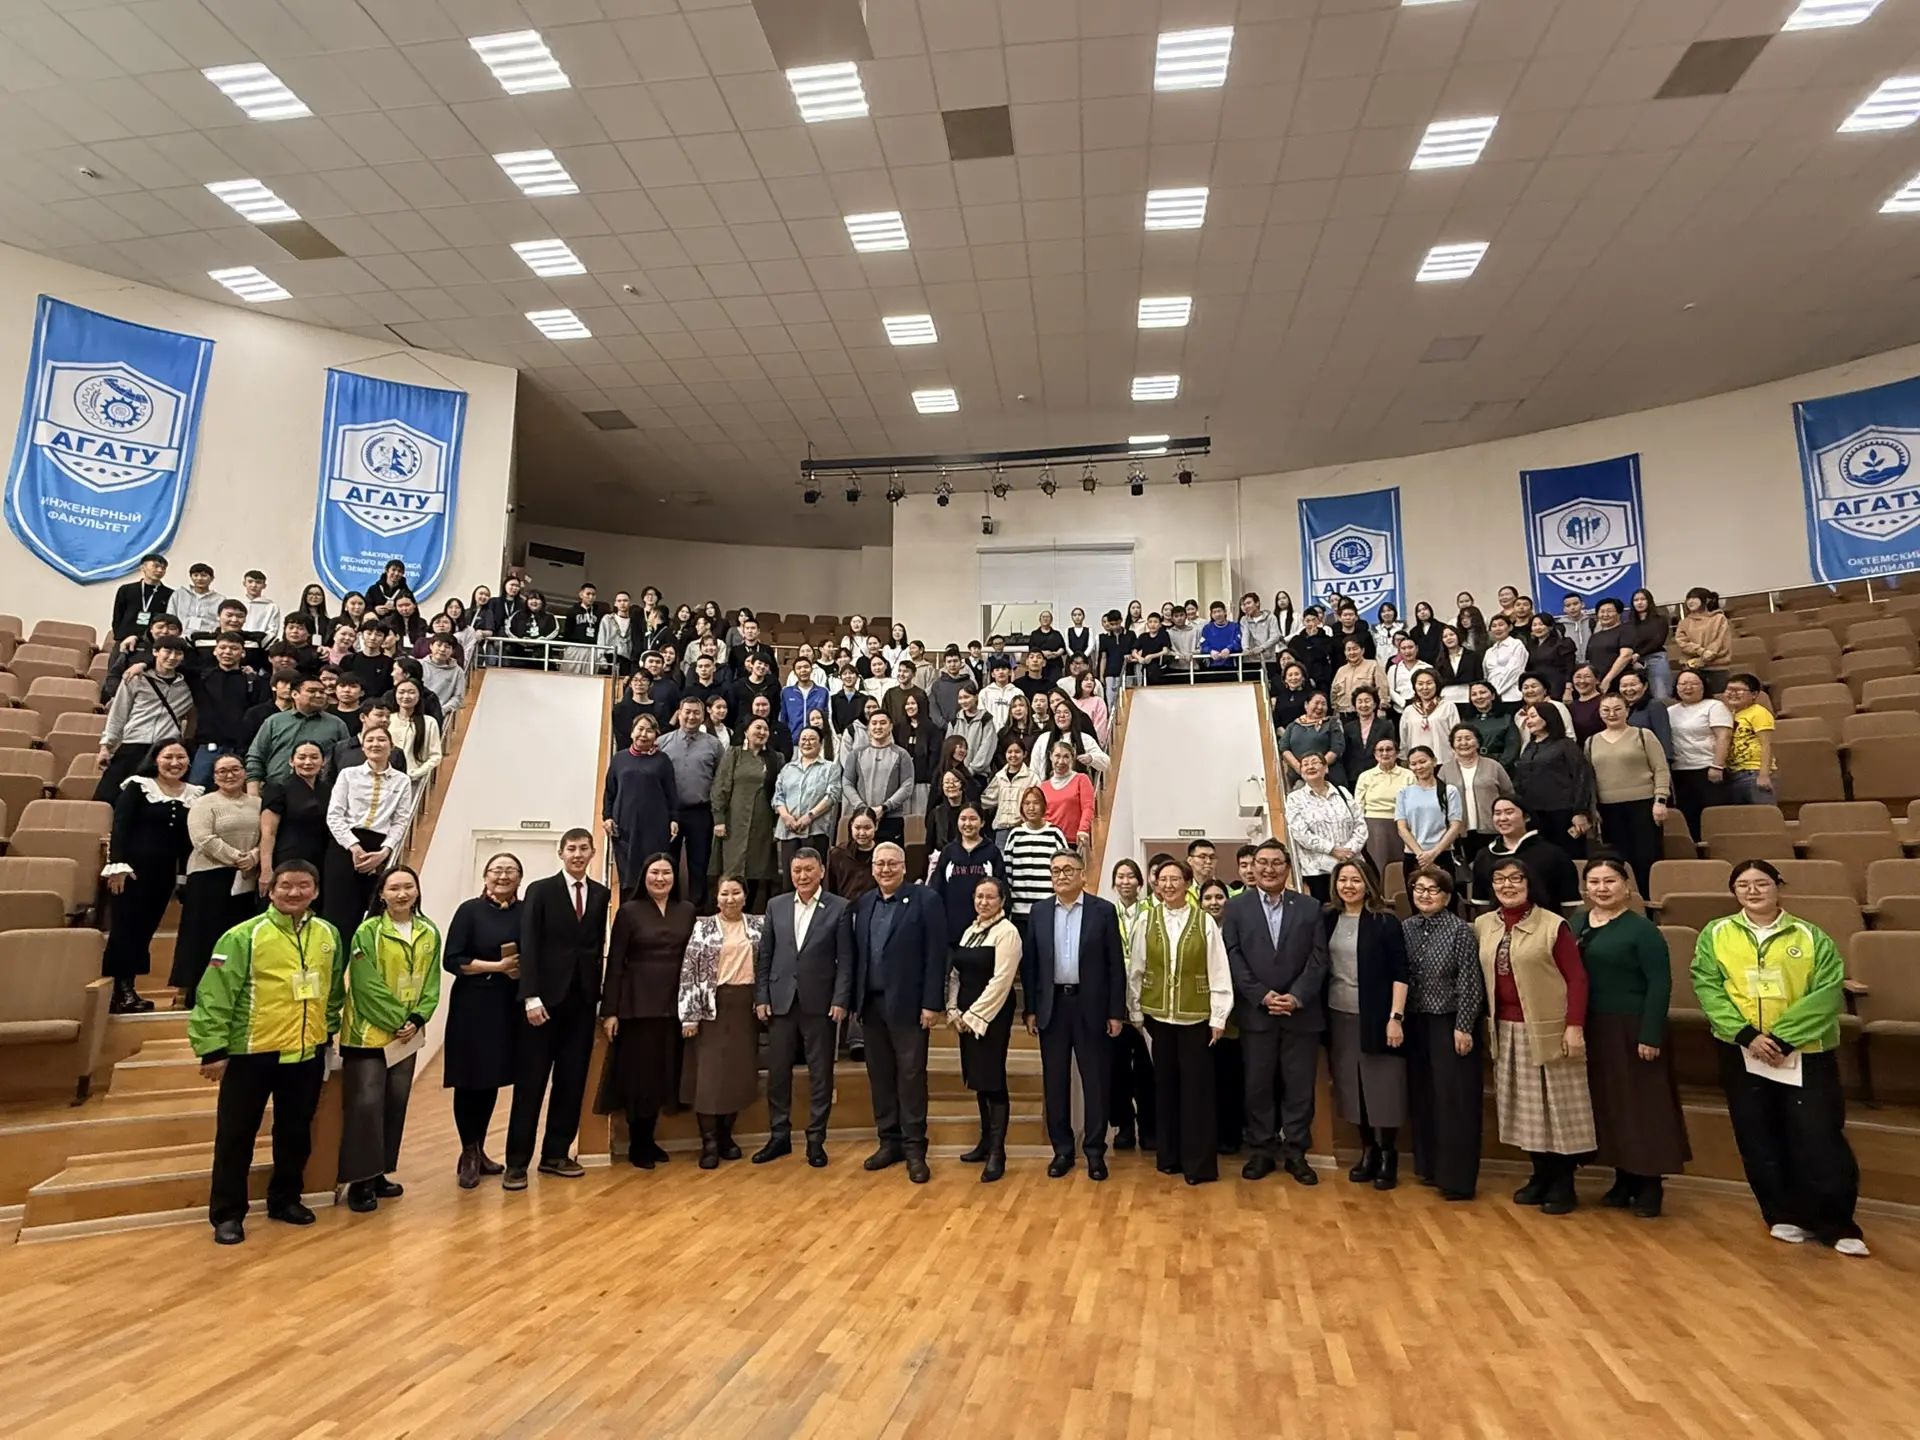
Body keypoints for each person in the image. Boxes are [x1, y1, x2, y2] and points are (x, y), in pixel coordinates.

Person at [1693, 859, 1865, 1255]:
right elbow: (1708, 986)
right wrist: (1746, 1035)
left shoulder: (1810, 935)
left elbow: (1826, 992)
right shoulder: (1715, 934)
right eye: (1743, 885)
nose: (1753, 891)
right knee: (1759, 1136)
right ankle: (1782, 1214)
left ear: (1778, 886)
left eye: (1761, 883)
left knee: (1818, 1136)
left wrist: (1784, 1039)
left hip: (1805, 1052)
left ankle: (1837, 1223)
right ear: (1733, 891)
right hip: (1743, 1051)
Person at [189, 859, 342, 1245]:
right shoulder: (244, 936)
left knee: (295, 1133)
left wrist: (328, 1031)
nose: (294, 892)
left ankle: (285, 1199)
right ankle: (228, 1214)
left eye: (304, 885)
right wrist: (212, 1048)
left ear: (316, 891)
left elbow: (332, 990)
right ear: (271, 891)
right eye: (286, 885)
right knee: (236, 1136)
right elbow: (215, 994)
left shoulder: (328, 934)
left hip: (305, 1053)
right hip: (251, 1053)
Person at [1475, 858, 1594, 1215]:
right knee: (1525, 1110)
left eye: (1516, 878)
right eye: (1500, 879)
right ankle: (1540, 1174)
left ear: (1530, 884)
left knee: (1557, 1108)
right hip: (1506, 1028)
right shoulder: (1483, 924)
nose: (1507, 885)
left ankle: (1563, 1182)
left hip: (1549, 1029)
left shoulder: (1553, 925)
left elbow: (1577, 979)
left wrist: (1574, 1026)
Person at [1574, 855, 1690, 1219]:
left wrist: (1650, 1034)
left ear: (1626, 887)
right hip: (1593, 1026)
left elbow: (1660, 984)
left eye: (1610, 881)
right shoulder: (1576, 923)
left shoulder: (1642, 930)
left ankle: (1650, 1183)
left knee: (1644, 1106)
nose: (1602, 888)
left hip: (1633, 1026)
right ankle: (1623, 1177)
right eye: (1594, 882)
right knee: (1609, 1105)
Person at [508, 829, 611, 1188]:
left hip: (581, 1003)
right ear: (561, 853)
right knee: (531, 1083)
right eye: (571, 849)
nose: (577, 854)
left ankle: (555, 1154)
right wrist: (530, 996)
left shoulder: (600, 894)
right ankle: (516, 1163)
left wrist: (597, 996)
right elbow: (530, 944)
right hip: (542, 1004)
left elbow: (595, 946)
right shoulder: (540, 890)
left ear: (593, 852)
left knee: (571, 1082)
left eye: (584, 849)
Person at [336, 865, 441, 1213]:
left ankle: (379, 1172)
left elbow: (431, 983)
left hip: (406, 1037)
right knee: (366, 1106)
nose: (402, 894)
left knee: (395, 1104)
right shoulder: (367, 932)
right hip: (368, 1036)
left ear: (417, 891)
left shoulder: (429, 931)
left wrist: (418, 1018)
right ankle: (359, 1181)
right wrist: (400, 1020)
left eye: (408, 887)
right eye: (394, 888)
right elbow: (366, 985)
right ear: (381, 894)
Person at [1223, 840, 1328, 1186]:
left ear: (1287, 868)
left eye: (1276, 863)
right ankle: (1262, 1150)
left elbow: (1318, 958)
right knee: (1257, 1086)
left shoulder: (1310, 907)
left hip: (1301, 1015)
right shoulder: (1236, 908)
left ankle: (1296, 1152)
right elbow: (1233, 956)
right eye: (1262, 862)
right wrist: (1261, 995)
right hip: (1257, 1014)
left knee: (1299, 1088)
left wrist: (1296, 997)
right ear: (1252, 867)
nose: (1269, 869)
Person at [1127, 857, 1231, 1184]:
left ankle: (1198, 1165)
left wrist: (1219, 1016)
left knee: (1197, 1092)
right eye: (1163, 879)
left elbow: (1219, 970)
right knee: (1165, 1088)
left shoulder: (1204, 922)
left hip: (1195, 1018)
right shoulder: (1146, 920)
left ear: (1187, 884)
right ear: (1156, 885)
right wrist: (1135, 1010)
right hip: (1158, 1017)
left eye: (1175, 879)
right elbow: (1137, 968)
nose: (1169, 885)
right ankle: (1169, 1157)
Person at [1022, 852, 1125, 1181]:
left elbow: (1115, 966)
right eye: (1055, 870)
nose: (1061, 875)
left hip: (1091, 1007)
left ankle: (1095, 1151)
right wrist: (1031, 1009)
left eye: (1068, 869)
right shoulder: (1039, 912)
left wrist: (1116, 1012)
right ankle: (1062, 1150)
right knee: (1055, 1083)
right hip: (1052, 1007)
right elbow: (1031, 966)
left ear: (1082, 875)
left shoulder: (1102, 911)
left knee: (1095, 1082)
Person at [850, 842, 947, 1184]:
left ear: (904, 867)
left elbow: (937, 955)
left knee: (911, 1076)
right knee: (880, 1076)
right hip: (872, 1005)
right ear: (872, 868)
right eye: (880, 864)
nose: (885, 869)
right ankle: (888, 1141)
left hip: (910, 1006)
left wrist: (932, 1003)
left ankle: (915, 1148)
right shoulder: (864, 903)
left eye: (892, 863)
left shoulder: (925, 900)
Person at [753, 847, 853, 1167]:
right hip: (780, 1002)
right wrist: (761, 996)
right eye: (797, 870)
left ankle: (815, 1140)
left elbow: (846, 961)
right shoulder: (776, 905)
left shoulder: (839, 908)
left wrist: (840, 999)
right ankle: (779, 1136)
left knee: (820, 1075)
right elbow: (765, 955)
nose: (803, 876)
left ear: (821, 871)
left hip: (821, 1004)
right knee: (778, 1075)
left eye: (809, 869)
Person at [1321, 859, 1411, 1190]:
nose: (1348, 886)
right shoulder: (1328, 918)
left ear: (1368, 884)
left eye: (1355, 880)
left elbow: (1401, 973)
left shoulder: (1384, 921)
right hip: (1339, 1015)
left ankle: (1388, 1154)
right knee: (1352, 1088)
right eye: (1343, 880)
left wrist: (1395, 1018)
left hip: (1377, 1017)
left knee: (1383, 1088)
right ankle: (1368, 1151)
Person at [1402, 866, 1485, 1200]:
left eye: (1432, 890)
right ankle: (1429, 1168)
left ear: (1448, 897)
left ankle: (1457, 1179)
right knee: (1424, 1096)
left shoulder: (1460, 931)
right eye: (1418, 889)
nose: (1424, 895)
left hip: (1450, 1023)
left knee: (1455, 1100)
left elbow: (1470, 981)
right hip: (1415, 1022)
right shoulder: (1406, 928)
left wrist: (1464, 1025)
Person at [101, 740, 201, 1013]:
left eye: (181, 757)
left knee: (145, 930)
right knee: (125, 929)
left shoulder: (193, 793)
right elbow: (120, 826)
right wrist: (118, 865)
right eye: (168, 757)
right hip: (131, 871)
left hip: (163, 874)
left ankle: (129, 987)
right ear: (155, 759)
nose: (174, 763)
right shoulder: (138, 785)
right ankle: (118, 990)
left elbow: (187, 842)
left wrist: (183, 875)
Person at [443, 853, 523, 1187]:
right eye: (496, 870)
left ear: (519, 878)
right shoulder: (469, 911)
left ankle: (480, 1147)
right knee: (468, 1080)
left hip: (507, 1007)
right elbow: (453, 959)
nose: (503, 876)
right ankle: (468, 1153)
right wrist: (497, 967)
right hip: (472, 1005)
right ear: (485, 876)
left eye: (510, 870)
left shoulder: (525, 911)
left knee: (491, 1079)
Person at [938, 875, 1022, 1183]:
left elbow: (1002, 981)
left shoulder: (1007, 932)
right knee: (978, 1080)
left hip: (991, 1016)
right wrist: (953, 1009)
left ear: (1002, 901)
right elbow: (956, 974)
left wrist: (975, 1016)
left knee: (993, 1080)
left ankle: (998, 1153)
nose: (983, 902)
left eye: (989, 897)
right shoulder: (970, 930)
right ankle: (985, 1143)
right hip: (965, 1016)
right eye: (979, 897)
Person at [678, 876, 765, 1167]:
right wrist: (689, 1016)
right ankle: (709, 1142)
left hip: (745, 1009)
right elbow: (689, 971)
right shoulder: (703, 927)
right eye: (725, 893)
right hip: (710, 1010)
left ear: (745, 896)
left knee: (738, 1076)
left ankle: (727, 1136)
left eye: (736, 892)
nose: (730, 899)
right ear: (716, 898)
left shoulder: (759, 925)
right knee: (709, 1078)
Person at [170, 754, 262, 1005]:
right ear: (214, 776)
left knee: (237, 936)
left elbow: (267, 835)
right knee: (204, 935)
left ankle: (234, 993)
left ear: (245, 773)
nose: (229, 775)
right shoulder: (204, 803)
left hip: (245, 877)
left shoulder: (258, 803)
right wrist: (236, 857)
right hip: (209, 877)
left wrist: (254, 856)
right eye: (222, 771)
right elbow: (202, 839)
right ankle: (199, 992)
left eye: (235, 769)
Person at [321, 724, 413, 939]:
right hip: (345, 844)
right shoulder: (348, 775)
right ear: (363, 747)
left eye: (381, 740)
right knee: (338, 910)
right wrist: (353, 847)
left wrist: (385, 852)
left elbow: (401, 821)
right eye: (370, 740)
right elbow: (334, 815)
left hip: (379, 847)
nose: (375, 744)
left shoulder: (402, 781)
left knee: (374, 911)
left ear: (391, 746)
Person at [1586, 694, 1671, 896]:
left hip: (1643, 804)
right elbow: (1589, 779)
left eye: (1617, 709)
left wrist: (1660, 800)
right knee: (1617, 861)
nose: (1612, 714)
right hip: (1608, 809)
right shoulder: (1591, 741)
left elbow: (1660, 768)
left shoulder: (1643, 735)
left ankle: (1651, 903)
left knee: (1646, 858)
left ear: (1627, 711)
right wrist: (1592, 809)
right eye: (1606, 710)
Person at [95, 636, 196, 799]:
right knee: (109, 796)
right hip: (133, 743)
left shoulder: (188, 686)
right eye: (167, 652)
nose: (172, 657)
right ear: (155, 652)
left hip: (163, 749)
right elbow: (118, 714)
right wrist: (106, 746)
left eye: (178, 653)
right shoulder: (135, 678)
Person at [1106, 858, 1155, 1152]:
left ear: (1140, 881)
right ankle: (1123, 1125)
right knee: (1117, 1069)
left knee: (1148, 1070)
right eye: (1120, 877)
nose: (1125, 882)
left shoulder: (1152, 912)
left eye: (1130, 876)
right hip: (1115, 1002)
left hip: (1146, 999)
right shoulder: (1105, 913)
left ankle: (1150, 1126)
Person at [603, 713, 680, 900]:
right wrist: (607, 817)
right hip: (624, 828)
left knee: (653, 875)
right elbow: (610, 791)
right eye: (640, 729)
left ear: (656, 735)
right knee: (628, 879)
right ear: (632, 732)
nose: (644, 734)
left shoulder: (663, 760)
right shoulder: (619, 759)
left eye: (649, 731)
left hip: (655, 828)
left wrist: (674, 819)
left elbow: (671, 793)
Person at [660, 696, 727, 908]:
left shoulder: (713, 745)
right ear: (679, 713)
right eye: (687, 712)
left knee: (699, 861)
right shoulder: (663, 742)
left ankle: (697, 908)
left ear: (703, 715)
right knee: (667, 860)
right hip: (670, 812)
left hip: (700, 811)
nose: (691, 717)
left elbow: (721, 779)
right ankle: (669, 905)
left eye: (696, 712)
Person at [709, 717, 779, 910]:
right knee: (732, 867)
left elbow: (779, 792)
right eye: (758, 727)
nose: (762, 732)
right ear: (746, 731)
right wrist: (719, 819)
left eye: (766, 729)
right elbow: (720, 787)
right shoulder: (735, 754)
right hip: (734, 821)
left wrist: (776, 824)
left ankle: (749, 913)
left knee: (757, 868)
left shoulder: (775, 759)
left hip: (762, 822)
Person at [1283, 752, 1367, 902]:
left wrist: (1349, 851)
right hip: (1318, 870)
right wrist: (1332, 850)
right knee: (1327, 912)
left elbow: (1360, 824)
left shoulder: (1342, 792)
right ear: (1301, 771)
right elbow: (1301, 833)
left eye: (1314, 762)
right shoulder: (1294, 798)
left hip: (1351, 865)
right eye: (1305, 764)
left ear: (1326, 768)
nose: (1310, 767)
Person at [1511, 703, 1592, 858]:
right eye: (1527, 717)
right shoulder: (1529, 747)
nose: (1528, 721)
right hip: (1535, 814)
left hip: (1562, 813)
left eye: (1533, 716)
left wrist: (1580, 811)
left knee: (1568, 857)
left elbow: (1582, 777)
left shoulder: (1565, 744)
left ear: (1548, 718)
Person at [246, 674, 350, 790]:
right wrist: (253, 791)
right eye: (312, 691)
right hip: (276, 790)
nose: (319, 695)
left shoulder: (336, 724)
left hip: (320, 792)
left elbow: (346, 760)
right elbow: (256, 756)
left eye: (322, 692)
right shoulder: (274, 721)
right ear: (295, 694)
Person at [1668, 669, 1733, 841]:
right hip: (1680, 771)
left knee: (1714, 818)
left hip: (1708, 769)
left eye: (1694, 683)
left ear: (1703, 686)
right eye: (1683, 684)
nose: (1688, 687)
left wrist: (1717, 765)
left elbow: (1723, 736)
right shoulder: (1670, 711)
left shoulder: (1714, 706)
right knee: (1689, 819)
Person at [258, 739, 331, 883]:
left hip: (323, 856)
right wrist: (266, 869)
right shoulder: (278, 788)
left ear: (323, 762)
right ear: (291, 761)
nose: (308, 762)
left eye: (314, 757)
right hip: (288, 855)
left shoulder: (329, 789)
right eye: (302, 757)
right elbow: (268, 832)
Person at [1440, 723, 1513, 866]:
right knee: (1465, 873)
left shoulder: (1494, 766)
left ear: (1478, 742)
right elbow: (1439, 801)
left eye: (1468, 738)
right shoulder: (1445, 770)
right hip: (1459, 832)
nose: (1463, 743)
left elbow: (1508, 795)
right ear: (1453, 745)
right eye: (1458, 739)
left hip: (1492, 829)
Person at [1002, 786, 1070, 935]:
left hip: (1048, 909)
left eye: (1036, 803)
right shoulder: (1015, 835)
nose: (1031, 808)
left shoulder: (1055, 834)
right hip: (1020, 911)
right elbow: (1008, 874)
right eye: (1027, 803)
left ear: (1043, 806)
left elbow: (1066, 871)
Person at [1353, 736, 1412, 874]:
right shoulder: (1365, 776)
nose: (1384, 753)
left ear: (1396, 753)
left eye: (1389, 749)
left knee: (1400, 866)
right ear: (1375, 754)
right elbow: (1358, 805)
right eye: (1380, 750)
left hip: (1401, 824)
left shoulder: (1408, 775)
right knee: (1378, 866)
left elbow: (1413, 804)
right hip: (1373, 824)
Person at [1722, 674, 1775, 805]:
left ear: (1754, 694)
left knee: (1762, 813)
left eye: (1738, 690)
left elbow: (1766, 744)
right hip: (1734, 773)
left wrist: (1763, 775)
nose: (1732, 694)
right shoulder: (1730, 714)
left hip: (1754, 772)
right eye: (1729, 689)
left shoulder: (1759, 712)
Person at [1037, 739, 1095, 852]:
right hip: (1048, 841)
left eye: (1066, 757)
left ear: (1072, 758)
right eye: (1057, 756)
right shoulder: (1043, 786)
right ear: (1051, 757)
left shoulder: (1081, 779)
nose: (1061, 761)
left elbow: (1088, 808)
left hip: (1072, 841)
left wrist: (1083, 829)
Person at [980, 739, 1039, 850]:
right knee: (1002, 858)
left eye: (1017, 752)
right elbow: (988, 798)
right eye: (1009, 752)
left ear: (1024, 754)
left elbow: (1039, 802)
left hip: (1022, 828)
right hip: (1001, 829)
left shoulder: (1032, 777)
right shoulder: (999, 776)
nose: (1013, 755)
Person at [1674, 587, 1732, 694]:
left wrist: (1704, 659)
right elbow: (1682, 642)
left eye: (1694, 598)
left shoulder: (1719, 618)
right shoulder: (1683, 623)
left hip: (1717, 668)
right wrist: (1701, 651)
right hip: (1692, 669)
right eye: (1688, 598)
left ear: (1707, 600)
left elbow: (1720, 641)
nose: (1690, 601)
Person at [388, 679, 443, 786]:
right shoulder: (388, 719)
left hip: (414, 781)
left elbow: (435, 756)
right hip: (387, 779)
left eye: (411, 692)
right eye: (401, 692)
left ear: (419, 695)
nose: (406, 696)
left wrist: (415, 773)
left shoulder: (429, 722)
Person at [1280, 691, 1344, 784]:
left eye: (1324, 704)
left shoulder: (1332, 723)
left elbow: (1337, 748)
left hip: (1328, 778)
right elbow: (1284, 748)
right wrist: (1300, 767)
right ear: (1306, 705)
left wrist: (1318, 768)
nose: (1320, 707)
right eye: (1316, 703)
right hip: (1299, 778)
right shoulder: (1293, 725)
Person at [112, 553, 173, 646]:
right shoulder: (126, 589)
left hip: (153, 642)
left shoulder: (170, 594)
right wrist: (119, 637)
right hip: (125, 639)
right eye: (156, 566)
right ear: (143, 568)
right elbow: (118, 616)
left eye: (163, 568)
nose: (160, 570)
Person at [1338, 687, 1394, 788]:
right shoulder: (1348, 727)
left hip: (1379, 774)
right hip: (1354, 776)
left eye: (1367, 701)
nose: (1363, 705)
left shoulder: (1386, 726)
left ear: (1375, 704)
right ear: (1355, 705)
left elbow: (1391, 750)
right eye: (1360, 701)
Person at [1624, 588, 1674, 701]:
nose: (1639, 602)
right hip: (1634, 661)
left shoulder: (1660, 620)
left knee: (1661, 694)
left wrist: (1639, 654)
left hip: (1655, 658)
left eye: (1643, 599)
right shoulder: (1629, 624)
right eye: (1636, 600)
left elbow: (1658, 641)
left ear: (1649, 601)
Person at [826, 806, 881, 903]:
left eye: (867, 828)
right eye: (857, 828)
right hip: (844, 906)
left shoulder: (882, 853)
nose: (862, 833)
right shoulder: (838, 853)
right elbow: (829, 888)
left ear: (876, 826)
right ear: (851, 826)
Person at [1460, 681, 1519, 767]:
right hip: (1470, 765)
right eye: (1474, 694)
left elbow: (1512, 748)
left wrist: (1499, 766)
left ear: (1493, 696)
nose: (1479, 697)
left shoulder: (1506, 719)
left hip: (1497, 765)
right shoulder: (1466, 721)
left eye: (1482, 692)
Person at [1330, 639, 1389, 716]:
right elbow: (1334, 693)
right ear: (1345, 652)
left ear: (1362, 650)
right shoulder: (1341, 670)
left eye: (1355, 649)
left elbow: (1382, 688)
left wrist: (1382, 708)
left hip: (1365, 713)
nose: (1352, 652)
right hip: (1343, 714)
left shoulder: (1373, 665)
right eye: (1348, 650)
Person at [1525, 615, 1576, 700]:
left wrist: (1568, 689)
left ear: (1550, 626)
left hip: (1558, 686)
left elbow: (1569, 667)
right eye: (1534, 625)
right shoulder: (1531, 645)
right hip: (1538, 688)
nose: (1537, 628)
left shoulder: (1562, 643)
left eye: (1541, 624)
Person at [1565, 663, 1605, 741]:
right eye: (1578, 677)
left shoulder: (1605, 702)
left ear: (1597, 680)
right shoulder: (1571, 706)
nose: (1582, 681)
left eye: (1587, 677)